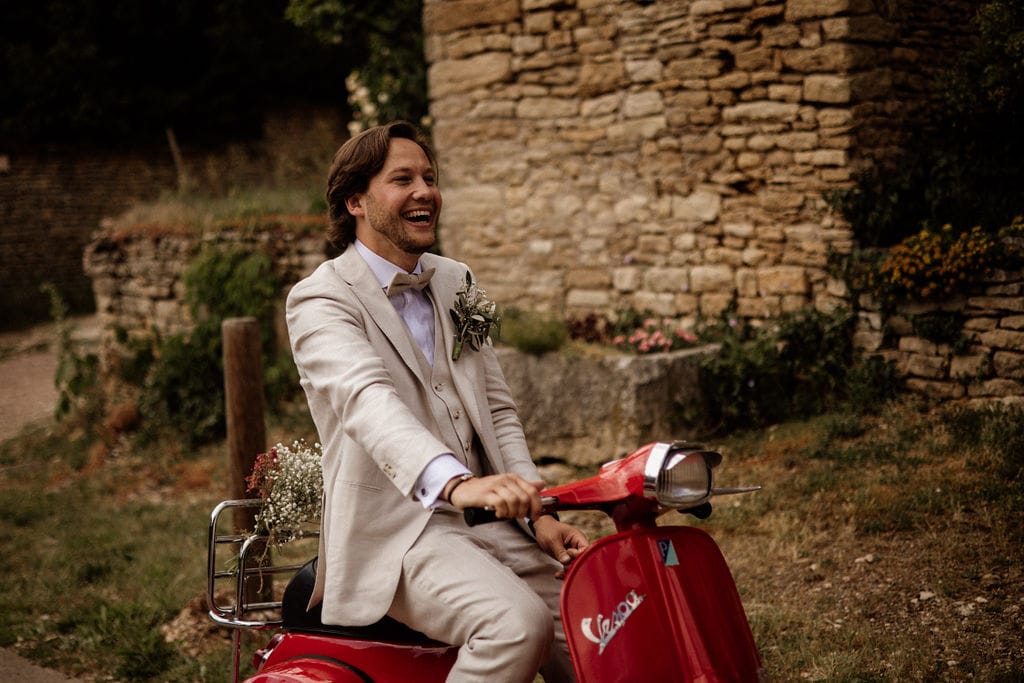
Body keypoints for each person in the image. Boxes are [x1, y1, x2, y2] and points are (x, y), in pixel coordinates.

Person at [286, 120, 589, 682]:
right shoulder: (320, 299)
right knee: (515, 625)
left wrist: (539, 511)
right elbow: (367, 402)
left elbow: (498, 410)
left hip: (490, 520)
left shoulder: (455, 280)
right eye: (402, 179)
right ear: (356, 200)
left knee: (591, 620)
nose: (424, 191)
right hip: (397, 533)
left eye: (429, 177)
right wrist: (455, 483)